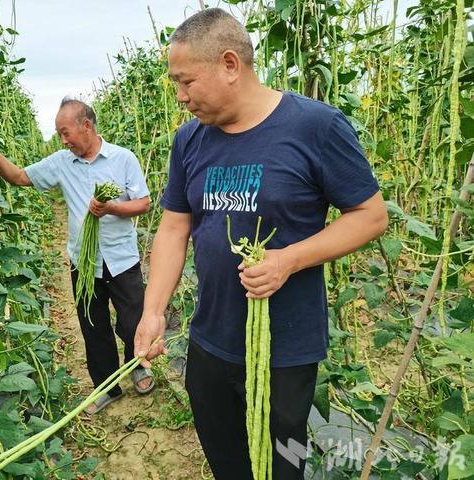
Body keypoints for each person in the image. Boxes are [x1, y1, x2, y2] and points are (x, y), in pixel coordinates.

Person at [133, 8, 388, 479]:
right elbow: (173, 227)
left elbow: (370, 216)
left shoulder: (315, 126)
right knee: (226, 460)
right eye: (175, 84)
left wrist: (288, 260)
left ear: (231, 64)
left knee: (285, 463)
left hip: (285, 350)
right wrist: (153, 311)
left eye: (186, 82)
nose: (181, 97)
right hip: (210, 340)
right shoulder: (189, 140)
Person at [0, 98, 155, 414]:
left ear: (86, 126)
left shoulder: (123, 158)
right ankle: (106, 387)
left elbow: (144, 203)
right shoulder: (62, 162)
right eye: (59, 134)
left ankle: (139, 367)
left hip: (122, 259)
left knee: (133, 321)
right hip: (85, 262)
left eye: (66, 133)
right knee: (93, 326)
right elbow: (20, 177)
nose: (63, 141)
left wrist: (112, 208)